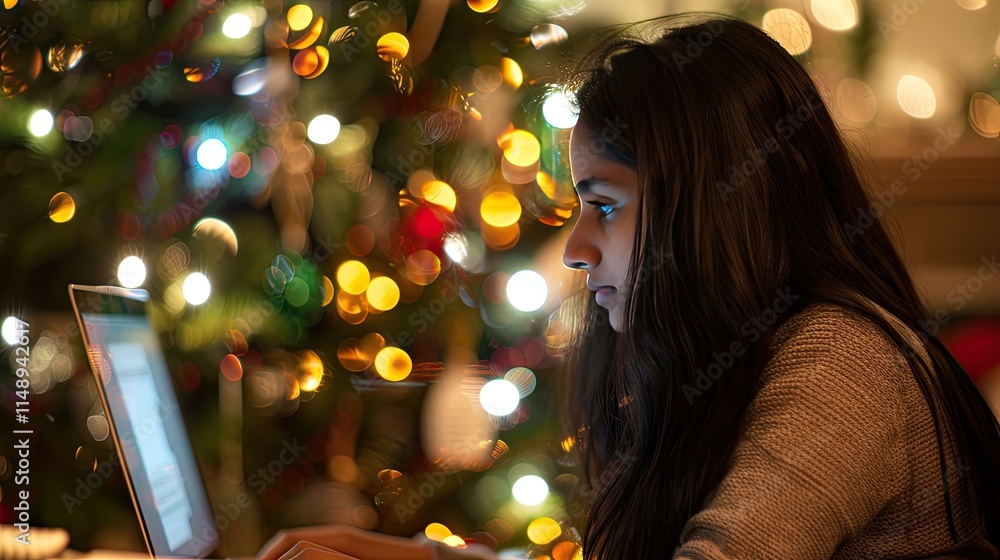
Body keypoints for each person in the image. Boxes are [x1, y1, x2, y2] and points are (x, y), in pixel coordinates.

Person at [257, 12, 1000, 560]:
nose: (577, 249)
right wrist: (423, 558)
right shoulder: (745, 354)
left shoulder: (843, 363)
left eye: (604, 205)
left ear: (716, 204)